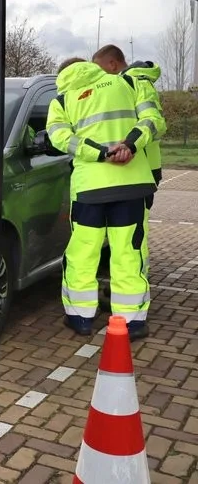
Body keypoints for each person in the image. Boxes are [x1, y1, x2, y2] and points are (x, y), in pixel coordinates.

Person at [45, 57, 160, 341]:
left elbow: (60, 138)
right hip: (131, 185)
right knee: (129, 253)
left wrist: (101, 152)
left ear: (63, 75)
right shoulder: (129, 82)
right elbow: (154, 121)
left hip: (89, 188)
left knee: (82, 252)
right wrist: (129, 145)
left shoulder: (62, 99)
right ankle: (131, 322)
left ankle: (80, 317)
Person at [92, 44, 168, 278]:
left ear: (112, 64)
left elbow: (154, 123)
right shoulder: (126, 83)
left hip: (139, 171)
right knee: (125, 237)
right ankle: (122, 286)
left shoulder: (135, 83)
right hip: (132, 169)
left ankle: (135, 289)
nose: (98, 76)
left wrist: (129, 144)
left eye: (99, 69)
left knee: (133, 238)